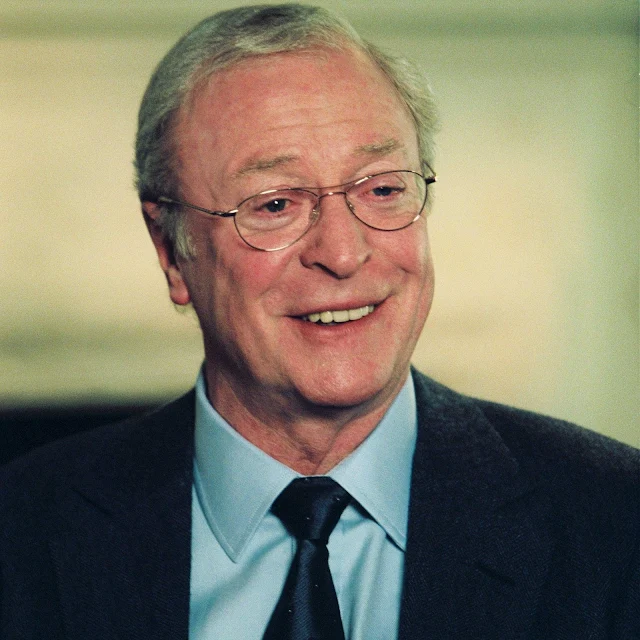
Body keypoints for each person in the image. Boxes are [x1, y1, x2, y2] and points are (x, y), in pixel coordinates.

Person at [1, 4, 638, 639]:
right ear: (170, 249)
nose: (342, 253)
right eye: (275, 204)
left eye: (382, 190)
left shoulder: (616, 520)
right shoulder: (20, 532)